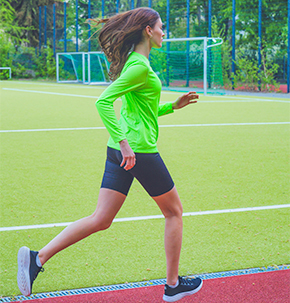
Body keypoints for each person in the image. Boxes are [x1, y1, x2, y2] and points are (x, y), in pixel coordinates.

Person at [17, 7, 202, 302]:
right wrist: (126, 143)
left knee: (101, 218)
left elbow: (140, 111)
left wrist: (172, 107)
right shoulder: (139, 66)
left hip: (120, 150)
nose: (164, 32)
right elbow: (103, 102)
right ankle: (172, 285)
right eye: (161, 27)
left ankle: (37, 259)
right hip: (137, 150)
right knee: (174, 212)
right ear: (148, 30)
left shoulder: (134, 62)